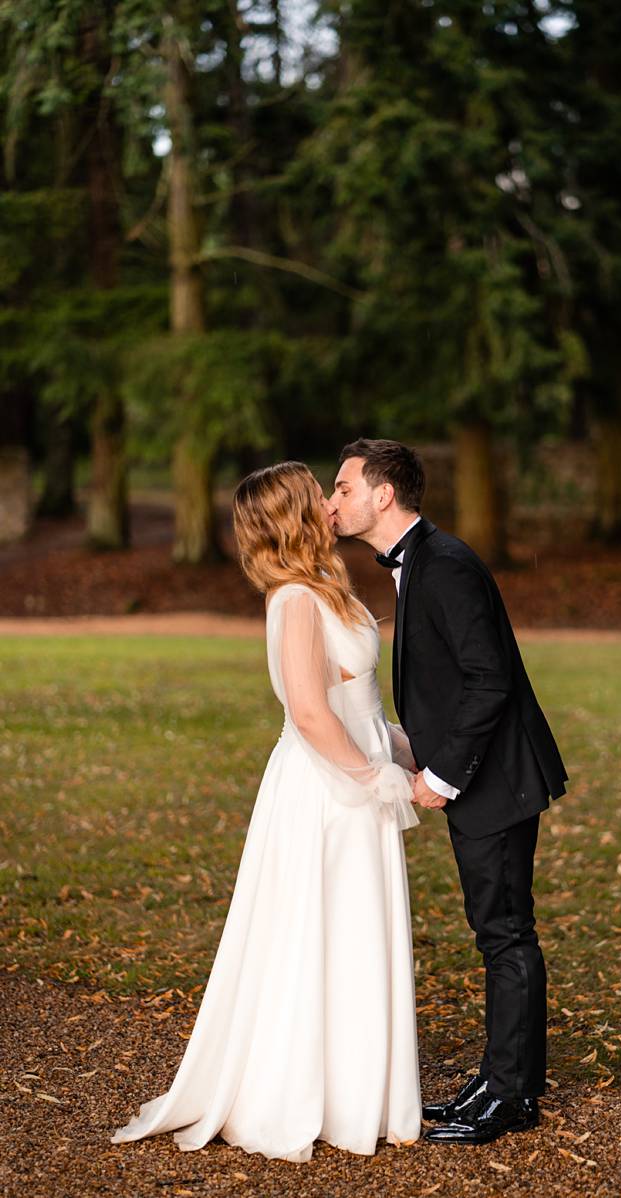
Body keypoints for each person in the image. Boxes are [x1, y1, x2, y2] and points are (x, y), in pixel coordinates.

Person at [112, 461, 422, 1161]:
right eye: (318, 493)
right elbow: (311, 715)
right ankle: (296, 1093)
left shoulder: (327, 590)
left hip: (355, 779)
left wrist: (412, 756)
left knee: (352, 933)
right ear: (294, 515)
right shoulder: (293, 601)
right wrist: (380, 781)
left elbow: (359, 709)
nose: (328, 500)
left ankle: (358, 1091)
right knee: (315, 934)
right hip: (324, 794)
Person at [326, 438, 567, 1146]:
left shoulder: (446, 565)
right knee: (495, 929)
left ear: (383, 495)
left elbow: (489, 679)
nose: (332, 501)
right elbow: (452, 683)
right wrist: (406, 745)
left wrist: (441, 774)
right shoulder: (421, 563)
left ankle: (512, 1098)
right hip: (480, 776)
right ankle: (498, 1080)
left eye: (342, 488)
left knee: (504, 932)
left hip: (496, 778)